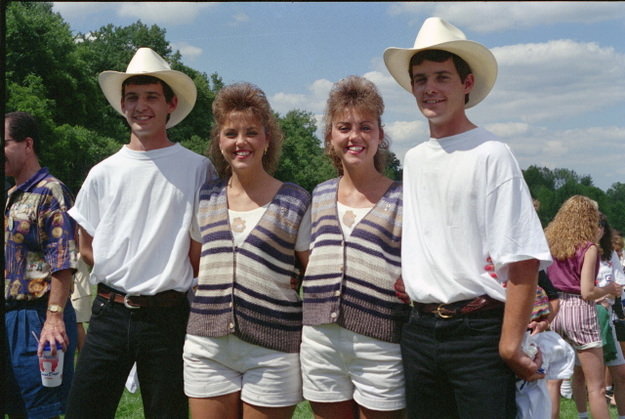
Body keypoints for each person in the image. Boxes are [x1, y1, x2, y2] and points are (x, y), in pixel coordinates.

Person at [383, 17, 552, 418]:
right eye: (420, 78)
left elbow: (523, 256)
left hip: (477, 331)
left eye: (442, 76)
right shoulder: (415, 159)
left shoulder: (491, 152)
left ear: (467, 83)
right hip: (420, 330)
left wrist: (510, 345)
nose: (430, 88)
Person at [65, 47, 217, 418]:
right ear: (122, 105)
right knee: (83, 410)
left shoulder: (198, 169)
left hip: (168, 316)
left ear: (170, 104)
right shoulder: (104, 171)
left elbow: (202, 248)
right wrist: (125, 273)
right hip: (109, 313)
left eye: (151, 97)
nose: (141, 106)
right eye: (132, 98)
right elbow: (86, 245)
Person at [183, 82, 311, 419]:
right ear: (219, 141)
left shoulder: (295, 201)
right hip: (207, 348)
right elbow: (197, 264)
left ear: (267, 139)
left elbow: (312, 274)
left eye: (251, 132)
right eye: (231, 133)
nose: (241, 142)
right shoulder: (205, 197)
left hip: (273, 350)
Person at [299, 75, 409, 419]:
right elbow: (306, 259)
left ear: (379, 135)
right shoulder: (318, 195)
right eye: (344, 127)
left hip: (381, 340)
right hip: (321, 342)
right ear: (331, 137)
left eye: (365, 127)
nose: (354, 136)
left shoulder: (404, 198)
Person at [4, 111, 78, 418]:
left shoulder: (50, 192)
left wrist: (54, 318)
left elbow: (63, 262)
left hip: (37, 319)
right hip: (10, 318)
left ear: (27, 144)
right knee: (15, 408)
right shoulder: (12, 195)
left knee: (39, 411)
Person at [545, 196, 622, 419]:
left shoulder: (550, 243)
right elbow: (587, 291)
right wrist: (608, 289)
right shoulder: (588, 248)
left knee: (553, 382)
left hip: (555, 308)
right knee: (596, 387)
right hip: (579, 309)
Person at [570, 213, 625, 419]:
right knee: (581, 373)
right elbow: (580, 289)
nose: (599, 229)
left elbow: (619, 285)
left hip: (607, 316)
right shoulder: (577, 251)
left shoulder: (609, 255)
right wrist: (603, 292)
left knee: (620, 372)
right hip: (583, 316)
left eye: (602, 225)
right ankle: (582, 415)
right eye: (595, 225)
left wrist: (605, 292)